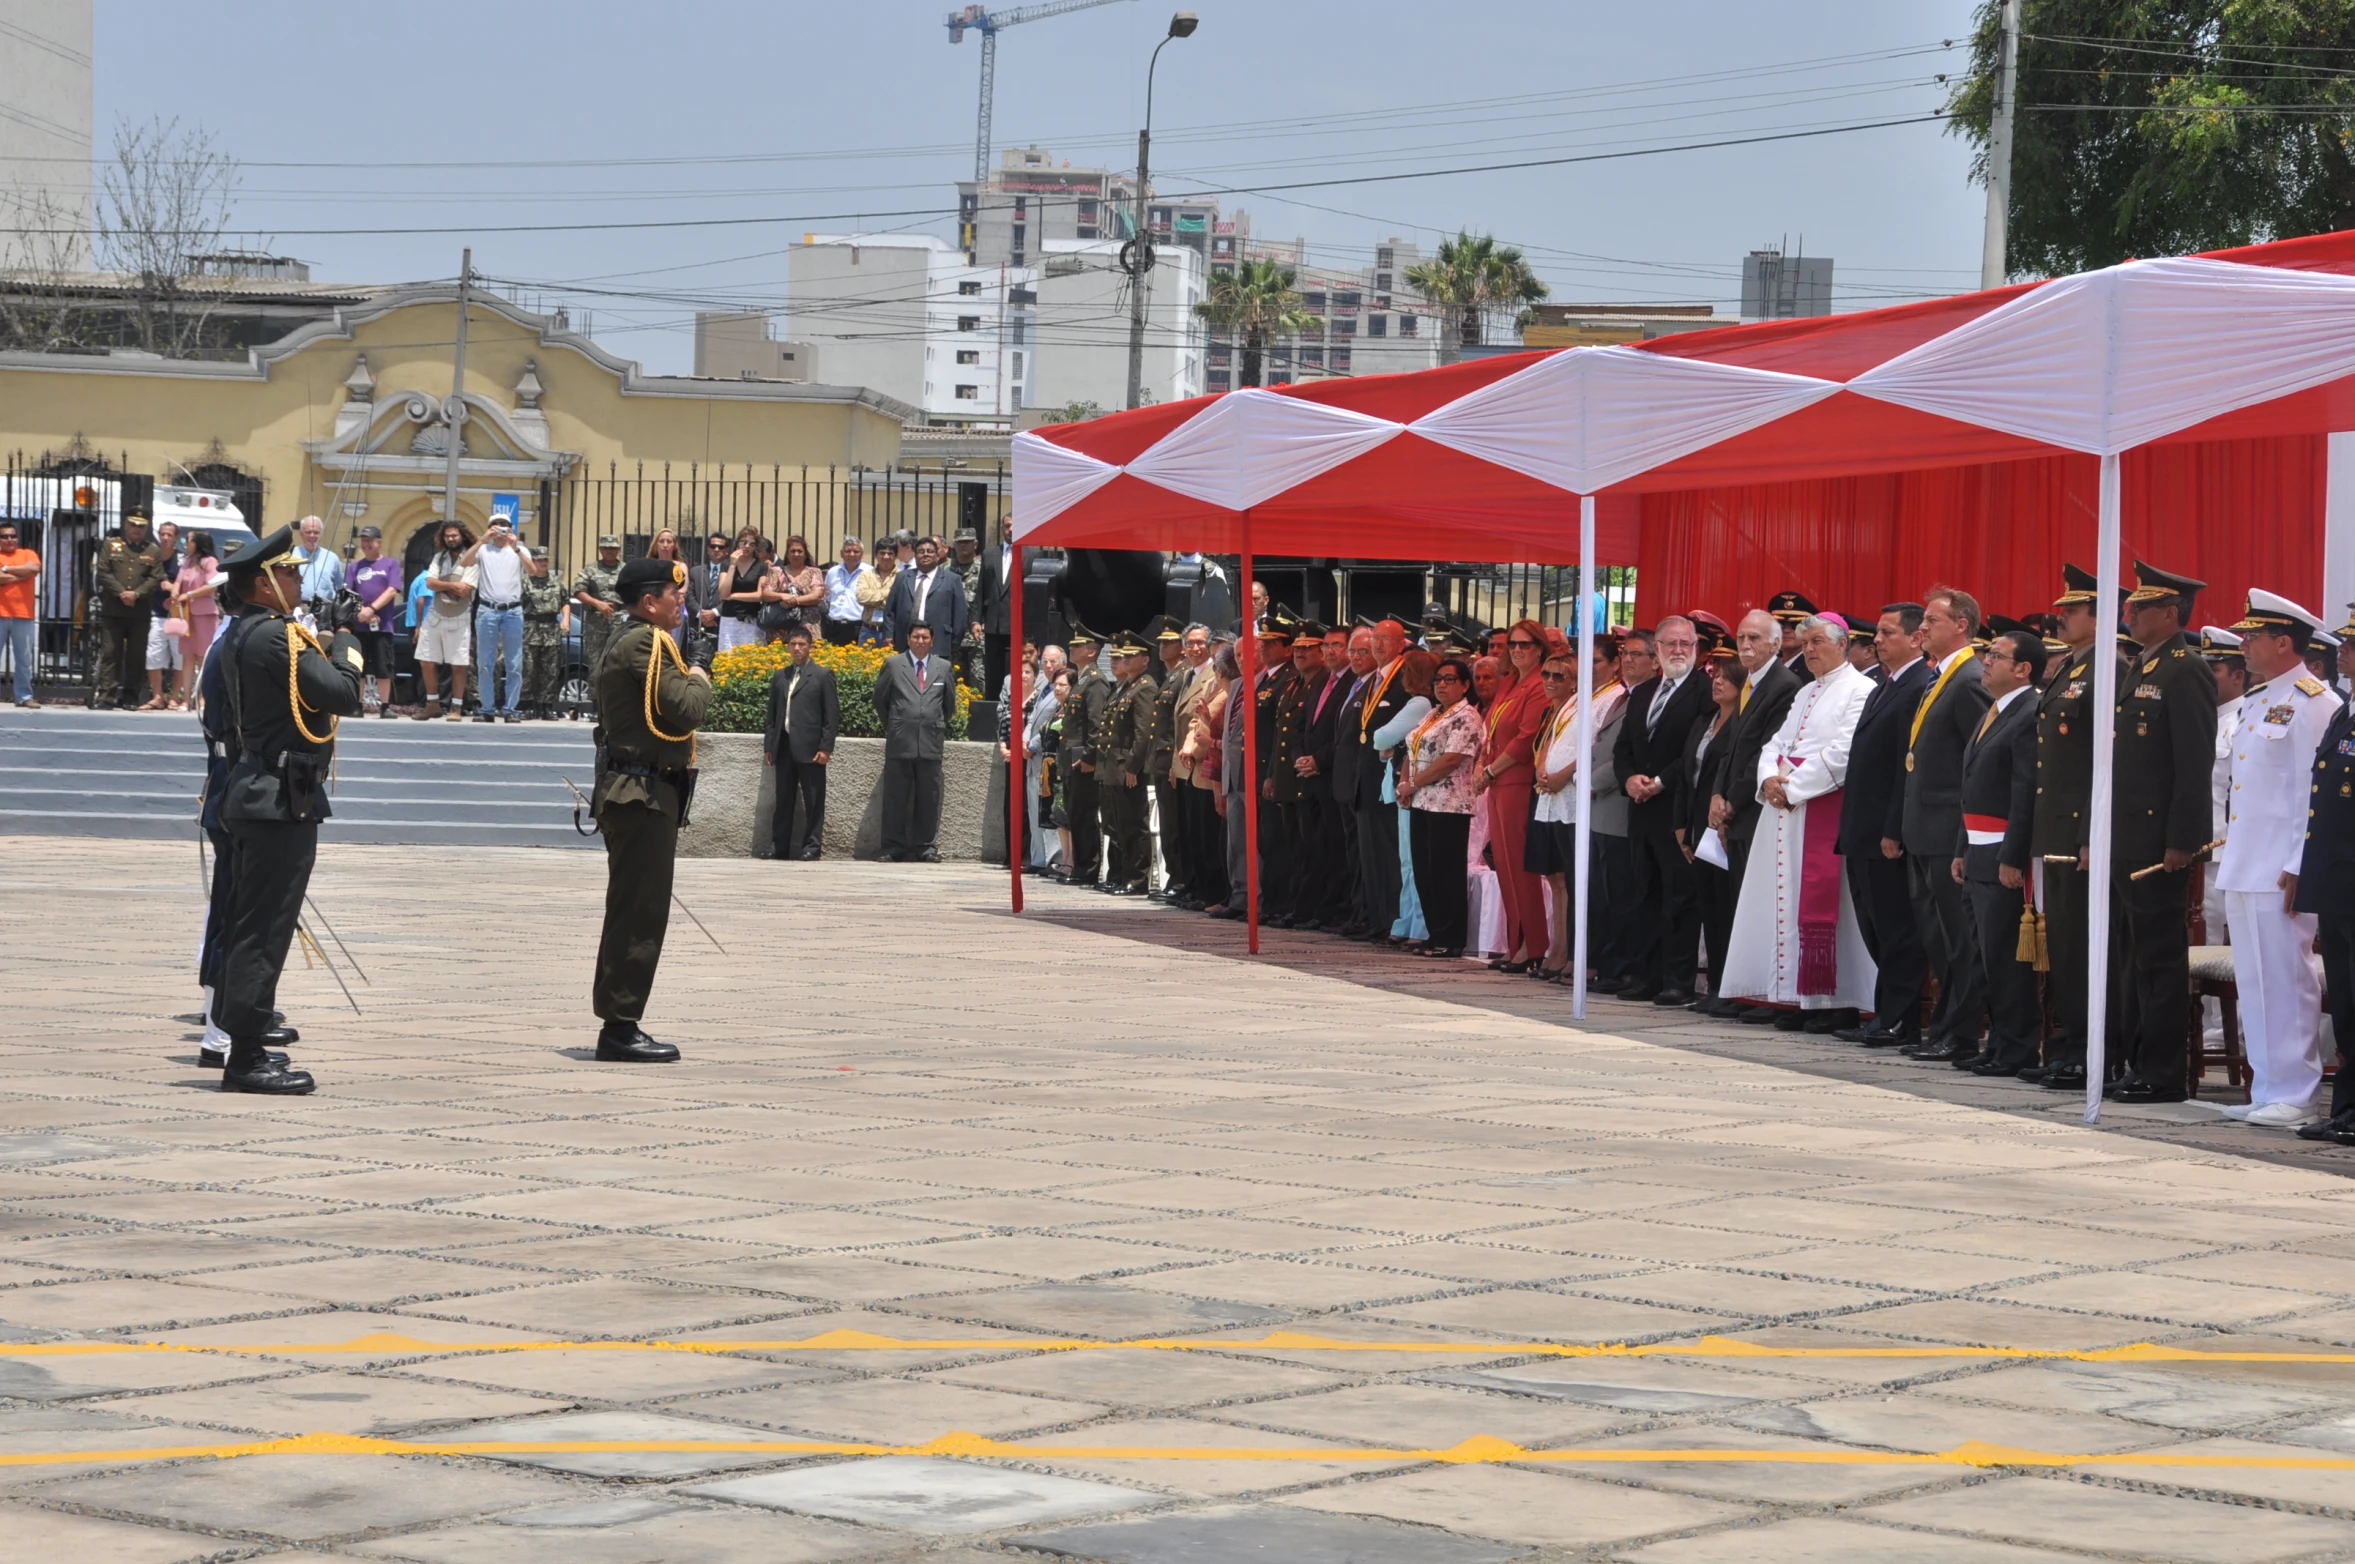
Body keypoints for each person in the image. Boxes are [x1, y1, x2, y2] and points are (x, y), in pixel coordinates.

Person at [211, 525, 366, 1093]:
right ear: (263, 583)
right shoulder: (277, 637)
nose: (299, 578)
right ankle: (246, 1056)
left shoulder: (249, 633)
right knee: (265, 926)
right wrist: (346, 638)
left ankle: (244, 1042)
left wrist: (318, 634)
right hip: (277, 798)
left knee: (252, 922)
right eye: (291, 571)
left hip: (263, 790)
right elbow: (344, 694)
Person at [2215, 591, 2340, 1125]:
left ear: (2283, 641)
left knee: (2288, 979)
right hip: (2246, 861)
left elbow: (2310, 796)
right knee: (2257, 980)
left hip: (2282, 866)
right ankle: (2267, 1087)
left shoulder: (2315, 702)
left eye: (2252, 636)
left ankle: (2297, 1091)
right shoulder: (2260, 699)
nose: (2243, 645)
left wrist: (2298, 862)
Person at [1719, 614, 1879, 1027]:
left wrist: (1789, 786)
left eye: (1818, 642)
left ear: (1843, 644)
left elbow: (1842, 754)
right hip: (1785, 812)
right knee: (1784, 904)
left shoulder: (1861, 689)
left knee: (1825, 907)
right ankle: (1793, 996)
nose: (1808, 649)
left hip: (1823, 808)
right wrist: (1770, 777)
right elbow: (1776, 742)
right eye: (1805, 642)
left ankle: (1835, 1001)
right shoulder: (1806, 691)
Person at [588, 554, 713, 1064]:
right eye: (672, 593)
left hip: (638, 793)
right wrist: (701, 672)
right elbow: (685, 709)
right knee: (639, 912)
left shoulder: (632, 636)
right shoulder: (645, 641)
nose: (680, 599)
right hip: (640, 795)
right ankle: (620, 1027)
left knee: (633, 908)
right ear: (648, 602)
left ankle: (620, 1020)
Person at [2107, 561, 2219, 1104]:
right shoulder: (2142, 666)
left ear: (2168, 613)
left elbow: (2192, 764)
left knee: (2158, 958)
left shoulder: (2185, 668)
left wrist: (2184, 841)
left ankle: (2163, 1070)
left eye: (2139, 608)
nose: (2129, 615)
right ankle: (2137, 1060)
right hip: (2128, 838)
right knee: (2133, 957)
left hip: (2158, 843)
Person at [2023, 564, 2116, 1092]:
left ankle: (2089, 1049)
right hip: (2053, 828)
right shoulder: (2069, 669)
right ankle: (2065, 1045)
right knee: (2061, 945)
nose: (2060, 616)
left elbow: (2102, 761)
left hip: (2078, 830)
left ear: (2098, 616)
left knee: (2083, 946)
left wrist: (2088, 832)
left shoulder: (2109, 669)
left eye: (2072, 609)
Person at [1898, 586, 1994, 1062]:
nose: (1922, 629)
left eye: (1932, 620)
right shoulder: (1942, 677)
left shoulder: (1971, 678)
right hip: (1923, 825)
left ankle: (1959, 1031)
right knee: (1937, 936)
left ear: (1961, 626)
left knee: (1958, 939)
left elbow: (1978, 761)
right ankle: (1943, 1026)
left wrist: (1963, 832)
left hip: (1948, 827)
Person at [1833, 603, 1935, 1047]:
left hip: (1885, 832)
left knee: (1896, 929)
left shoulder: (1918, 685)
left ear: (1916, 638)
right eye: (1878, 632)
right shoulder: (1883, 683)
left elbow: (1905, 767)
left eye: (1888, 633)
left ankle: (1900, 1019)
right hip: (1861, 826)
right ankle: (1884, 1013)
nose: (1877, 639)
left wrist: (1893, 827)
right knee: (1874, 925)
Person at [1950, 626, 2044, 1076]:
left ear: (2022, 669)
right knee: (1985, 954)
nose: (1986, 661)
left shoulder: (2029, 711)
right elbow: (1972, 788)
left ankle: (2017, 1048)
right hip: (1977, 848)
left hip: (2002, 853)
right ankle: (1998, 1043)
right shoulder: (1995, 710)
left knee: (2007, 957)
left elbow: (2024, 792)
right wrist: (1961, 847)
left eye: (1997, 656)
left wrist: (2013, 855)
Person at [1615, 615, 1710, 1006]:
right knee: (1645, 893)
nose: (1678, 651)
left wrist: (1659, 782)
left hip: (1677, 807)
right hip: (1641, 809)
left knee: (1681, 897)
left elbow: (1694, 749)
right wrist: (1629, 779)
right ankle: (1646, 975)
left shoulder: (1705, 690)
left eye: (1685, 645)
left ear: (1696, 649)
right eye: (1670, 644)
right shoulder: (1643, 691)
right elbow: (1624, 748)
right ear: (1656, 649)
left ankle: (1679, 979)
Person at [1709, 609, 1803, 934]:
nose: (1745, 644)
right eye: (1741, 637)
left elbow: (1767, 753)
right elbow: (1731, 747)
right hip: (1735, 814)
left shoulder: (1784, 686)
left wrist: (1731, 802)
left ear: (1776, 643)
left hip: (1756, 813)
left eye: (1754, 638)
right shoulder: (1749, 681)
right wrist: (1717, 795)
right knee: (1737, 906)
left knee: (1756, 910)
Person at [2293, 688, 2355, 1146]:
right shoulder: (2345, 712)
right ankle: (2347, 1109)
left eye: (2353, 646)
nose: (2346, 654)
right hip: (2336, 881)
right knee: (2348, 1004)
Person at [1472, 620, 1552, 973]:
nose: (1517, 650)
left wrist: (1490, 770)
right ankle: (1514, 942)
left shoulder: (1538, 684)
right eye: (1513, 645)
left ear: (1539, 648)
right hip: (1498, 782)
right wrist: (1483, 767)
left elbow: (1525, 738)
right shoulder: (1509, 681)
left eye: (1525, 644)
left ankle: (1534, 945)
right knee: (1504, 866)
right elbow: (1492, 730)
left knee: (1521, 867)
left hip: (1517, 781)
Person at [1398, 655, 1485, 959]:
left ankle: (1451, 937)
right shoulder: (1434, 713)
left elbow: (1452, 758)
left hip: (1449, 804)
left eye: (1450, 680)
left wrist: (1414, 783)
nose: (1443, 685)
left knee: (1445, 871)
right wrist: (1405, 783)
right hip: (1422, 800)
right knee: (1425, 869)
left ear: (1464, 685)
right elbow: (1413, 746)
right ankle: (1434, 933)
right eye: (1438, 679)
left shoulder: (1467, 716)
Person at [1682, 639, 1744, 1006]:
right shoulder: (1705, 721)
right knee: (1707, 907)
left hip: (1722, 826)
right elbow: (1688, 772)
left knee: (1725, 909)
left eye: (1726, 678)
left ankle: (1728, 987)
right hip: (1696, 824)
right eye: (1716, 676)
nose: (1717, 682)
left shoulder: (1740, 725)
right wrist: (1682, 824)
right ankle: (1715, 984)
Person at [759, 620, 840, 861]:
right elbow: (772, 715)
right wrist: (769, 746)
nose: (797, 648)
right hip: (783, 747)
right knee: (783, 800)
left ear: (810, 648)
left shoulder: (823, 676)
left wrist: (826, 747)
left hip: (811, 749)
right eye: (793, 644)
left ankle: (812, 847)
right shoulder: (780, 676)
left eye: (802, 644)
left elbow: (831, 716)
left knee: (814, 801)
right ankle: (779, 846)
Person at [876, 622, 956, 862]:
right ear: (908, 639)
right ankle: (893, 847)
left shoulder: (943, 667)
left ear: (932, 640)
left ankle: (926, 847)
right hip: (900, 741)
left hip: (930, 742)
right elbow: (880, 700)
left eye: (925, 637)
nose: (920, 641)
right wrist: (896, 724)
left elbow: (949, 705)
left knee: (928, 798)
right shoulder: (893, 664)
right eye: (916, 637)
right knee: (895, 797)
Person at [1094, 633, 1157, 894]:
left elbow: (1143, 732)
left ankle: (1136, 878)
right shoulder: (1127, 685)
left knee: (1133, 825)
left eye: (1132, 656)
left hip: (1127, 768)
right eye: (1124, 656)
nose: (1126, 660)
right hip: (1113, 766)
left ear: (1145, 660)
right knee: (1117, 824)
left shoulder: (1145, 687)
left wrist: (1133, 766)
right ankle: (1120, 875)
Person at [1328, 625, 1380, 938]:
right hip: (1345, 782)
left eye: (1363, 651)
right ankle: (1357, 911)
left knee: (1364, 856)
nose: (1357, 657)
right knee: (1353, 853)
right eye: (1354, 652)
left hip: (1362, 784)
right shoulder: (1356, 685)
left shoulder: (1374, 685)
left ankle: (1364, 914)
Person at [2200, 625, 2249, 960]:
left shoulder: (2247, 718)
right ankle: (2201, 1016)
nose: (2204, 677)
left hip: (2226, 852)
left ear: (2237, 676)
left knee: (2218, 946)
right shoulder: (2202, 718)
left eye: (2213, 670)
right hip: (2194, 850)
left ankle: (2220, 1016)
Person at [1175, 632, 1229, 909]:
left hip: (1212, 765)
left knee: (1211, 836)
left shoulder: (1226, 686)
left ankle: (1213, 893)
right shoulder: (1209, 683)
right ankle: (1200, 889)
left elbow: (1209, 722)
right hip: (1196, 766)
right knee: (1196, 835)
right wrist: (1186, 748)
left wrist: (1192, 749)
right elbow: (1196, 720)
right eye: (1215, 650)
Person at [91, 510, 164, 709]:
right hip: (114, 609)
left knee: (136, 655)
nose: (136, 529)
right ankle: (106, 696)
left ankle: (131, 696)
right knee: (110, 653)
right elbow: (104, 572)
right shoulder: (111, 545)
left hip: (139, 612)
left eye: (141, 526)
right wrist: (122, 593)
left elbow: (155, 577)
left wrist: (136, 594)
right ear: (126, 525)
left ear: (146, 528)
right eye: (133, 525)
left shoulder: (152, 550)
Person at [463, 516, 531, 723]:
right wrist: (482, 540)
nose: (502, 530)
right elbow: (465, 562)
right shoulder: (484, 550)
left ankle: (510, 709)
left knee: (514, 663)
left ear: (511, 529)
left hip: (513, 611)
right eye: (497, 527)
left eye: (506, 527)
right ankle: (487, 708)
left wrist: (516, 547)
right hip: (487, 610)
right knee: (485, 662)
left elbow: (533, 571)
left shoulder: (519, 550)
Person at [1062, 624, 1110, 886]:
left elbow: (1096, 724)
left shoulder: (1096, 682)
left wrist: (1091, 757)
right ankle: (1080, 866)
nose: (1072, 648)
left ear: (1091, 652)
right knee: (1075, 814)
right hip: (1072, 758)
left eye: (1077, 645)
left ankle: (1087, 868)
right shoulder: (1082, 679)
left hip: (1084, 760)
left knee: (1084, 815)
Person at [415, 523, 476, 720]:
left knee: (458, 664)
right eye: (448, 536)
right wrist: (451, 585)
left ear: (462, 536)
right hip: (435, 614)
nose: (451, 539)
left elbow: (465, 589)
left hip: (460, 615)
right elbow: (429, 583)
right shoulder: (438, 558)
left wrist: (442, 585)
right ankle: (432, 704)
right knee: (426, 660)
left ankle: (456, 708)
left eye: (454, 535)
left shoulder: (472, 558)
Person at [344, 526, 403, 715]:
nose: (366, 544)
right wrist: (362, 610)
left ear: (379, 542)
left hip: (383, 625)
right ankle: (358, 705)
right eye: (364, 540)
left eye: (370, 540)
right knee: (358, 666)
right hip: (359, 625)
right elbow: (349, 593)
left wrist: (372, 609)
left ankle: (385, 706)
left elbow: (393, 589)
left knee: (383, 666)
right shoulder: (354, 567)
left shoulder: (390, 564)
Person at [1023, 644, 1068, 871]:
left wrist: (1031, 744)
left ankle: (1054, 859)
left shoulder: (1064, 690)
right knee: (1034, 812)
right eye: (1045, 662)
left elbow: (1051, 725)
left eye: (1054, 662)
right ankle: (1038, 858)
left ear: (1063, 664)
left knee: (1048, 811)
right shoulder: (1044, 688)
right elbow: (1032, 720)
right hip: (1032, 758)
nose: (1048, 666)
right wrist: (1024, 741)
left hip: (1047, 756)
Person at [886, 533, 971, 654]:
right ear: (915, 556)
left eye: (930, 551)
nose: (925, 554)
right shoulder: (902, 577)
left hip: (939, 641)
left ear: (937, 555)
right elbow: (890, 609)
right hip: (904, 642)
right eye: (921, 551)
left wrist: (955, 641)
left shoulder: (952, 579)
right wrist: (889, 635)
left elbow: (960, 614)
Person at [168, 529, 224, 712]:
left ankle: (203, 698)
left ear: (198, 543)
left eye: (189, 540)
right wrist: (175, 591)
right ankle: (186, 700)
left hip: (204, 613)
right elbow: (178, 580)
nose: (185, 543)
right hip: (187, 614)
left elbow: (212, 586)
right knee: (188, 656)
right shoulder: (186, 561)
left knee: (203, 657)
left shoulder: (210, 562)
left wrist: (189, 593)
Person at [574, 533, 626, 684]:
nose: (609, 551)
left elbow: (635, 592)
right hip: (596, 622)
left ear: (618, 549)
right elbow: (578, 591)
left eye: (613, 548)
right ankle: (596, 702)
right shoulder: (591, 569)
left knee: (619, 662)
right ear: (600, 549)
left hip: (619, 620)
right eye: (606, 548)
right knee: (596, 663)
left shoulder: (625, 569)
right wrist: (598, 604)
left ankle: (616, 701)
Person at [0, 521, 39, 706]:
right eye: (4, 536)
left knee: (24, 659)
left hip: (23, 614)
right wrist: (22, 575)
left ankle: (24, 697)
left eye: (12, 536)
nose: (9, 539)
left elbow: (35, 569)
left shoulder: (28, 553)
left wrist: (7, 569)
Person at [978, 517, 1019, 697]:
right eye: (1008, 526)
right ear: (1002, 528)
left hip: (1017, 624)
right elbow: (981, 589)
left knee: (1015, 670)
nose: (1011, 529)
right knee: (992, 672)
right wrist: (976, 620)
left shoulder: (1031, 554)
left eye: (1014, 526)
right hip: (993, 624)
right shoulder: (989, 554)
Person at [715, 528, 769, 654]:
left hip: (751, 619)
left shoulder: (761, 566)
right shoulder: (727, 564)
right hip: (729, 619)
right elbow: (723, 592)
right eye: (743, 542)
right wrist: (733, 565)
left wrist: (733, 596)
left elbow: (759, 595)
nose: (747, 546)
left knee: (752, 659)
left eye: (752, 544)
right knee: (727, 658)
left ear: (756, 547)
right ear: (737, 543)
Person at [767, 536, 826, 644]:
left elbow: (817, 595)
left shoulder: (814, 572)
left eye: (800, 551)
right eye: (792, 551)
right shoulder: (776, 571)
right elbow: (766, 593)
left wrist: (794, 600)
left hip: (808, 624)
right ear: (787, 554)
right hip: (780, 625)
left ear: (805, 554)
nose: (796, 554)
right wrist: (782, 597)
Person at [822, 536, 870, 647]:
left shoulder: (870, 572)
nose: (851, 554)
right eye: (848, 551)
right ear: (841, 554)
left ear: (862, 554)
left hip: (858, 626)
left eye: (856, 551)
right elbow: (828, 597)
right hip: (834, 627)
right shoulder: (833, 572)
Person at [294, 514, 344, 615]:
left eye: (316, 532)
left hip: (324, 609)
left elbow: (339, 587)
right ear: (301, 533)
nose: (312, 536)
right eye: (308, 532)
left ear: (321, 534)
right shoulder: (291, 555)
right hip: (297, 608)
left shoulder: (332, 558)